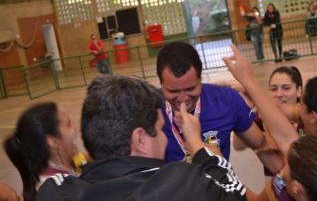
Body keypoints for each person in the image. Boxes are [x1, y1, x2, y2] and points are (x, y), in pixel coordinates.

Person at [36, 75, 248, 201]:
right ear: (140, 140)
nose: (165, 139)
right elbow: (234, 192)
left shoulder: (55, 191)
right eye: (161, 129)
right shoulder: (184, 183)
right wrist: (198, 146)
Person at [223, 45, 317, 201]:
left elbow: (286, 139)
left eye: (301, 106)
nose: (295, 108)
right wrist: (250, 88)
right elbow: (284, 135)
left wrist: (216, 168)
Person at [156, 42, 266, 162]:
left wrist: (252, 103)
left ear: (201, 79)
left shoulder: (226, 100)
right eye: (173, 91)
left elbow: (260, 142)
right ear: (161, 83)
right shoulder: (146, 109)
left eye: (190, 89)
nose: (183, 99)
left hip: (218, 179)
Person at [3, 102, 79, 201]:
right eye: (68, 124)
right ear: (53, 141)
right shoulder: (58, 191)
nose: (76, 127)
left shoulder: (64, 163)